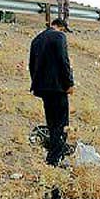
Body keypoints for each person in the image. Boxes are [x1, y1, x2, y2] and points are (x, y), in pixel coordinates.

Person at [29, 18, 74, 167]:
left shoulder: (37, 39)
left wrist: (36, 84)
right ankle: (54, 159)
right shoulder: (59, 36)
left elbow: (31, 64)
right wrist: (69, 83)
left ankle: (54, 154)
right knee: (61, 124)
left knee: (51, 122)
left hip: (42, 87)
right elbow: (63, 60)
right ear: (60, 27)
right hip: (57, 87)